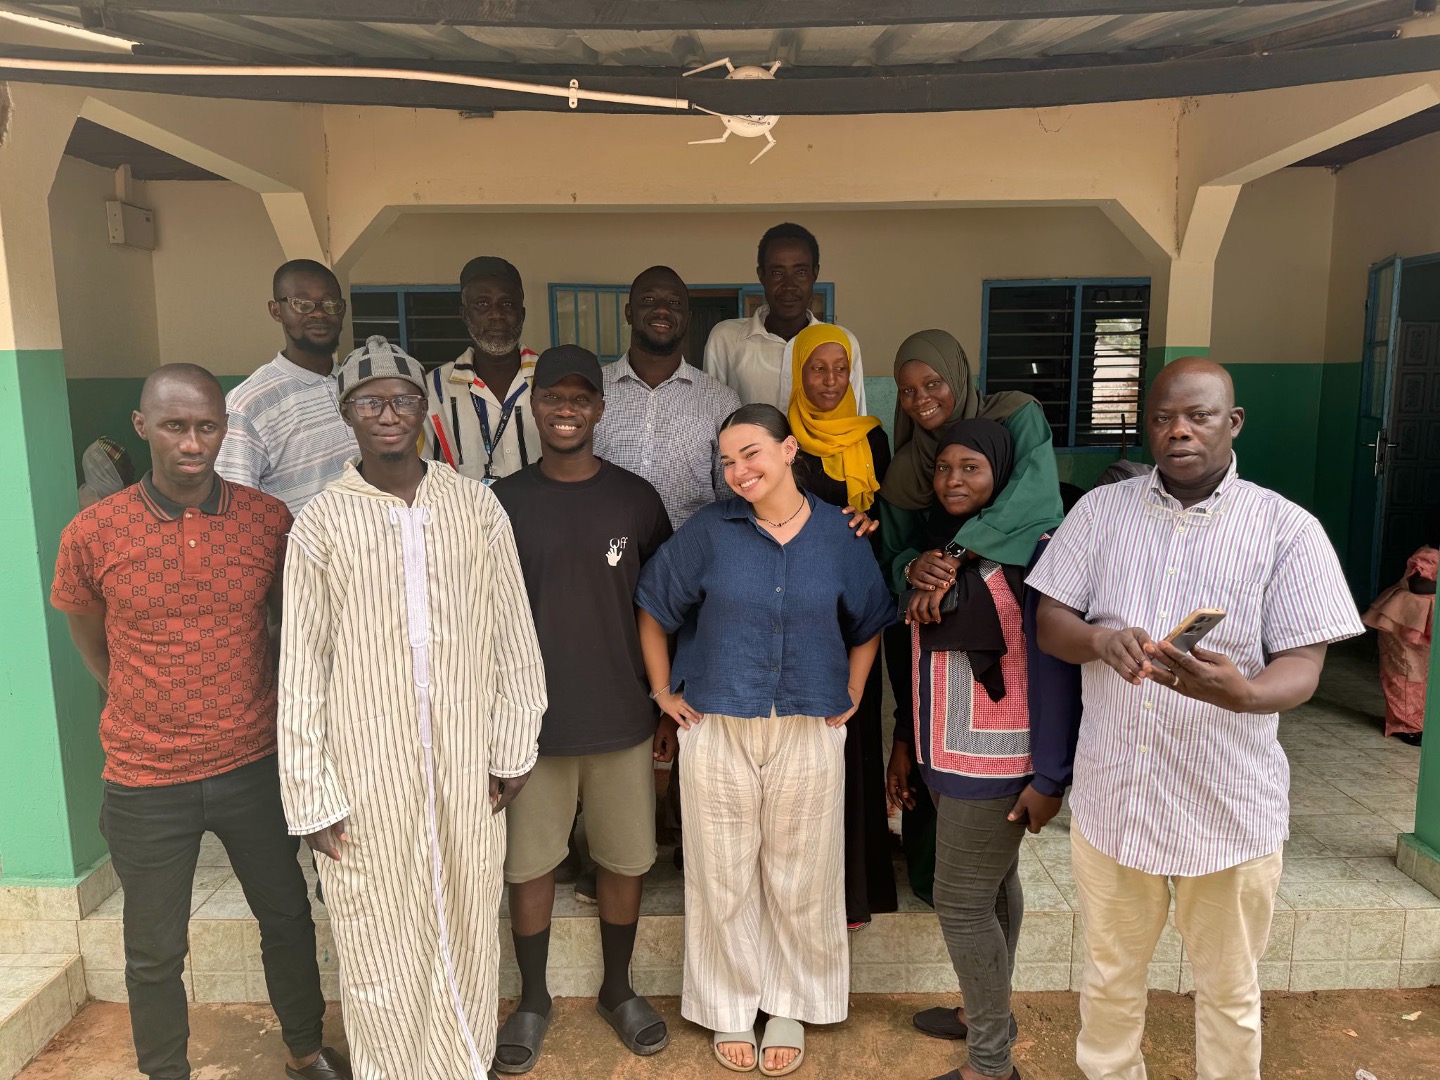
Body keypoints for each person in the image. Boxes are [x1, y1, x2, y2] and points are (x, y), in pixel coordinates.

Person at [1027, 357, 1365, 1080]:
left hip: (1228, 808)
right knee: (1111, 981)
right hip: (1117, 799)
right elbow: (1051, 620)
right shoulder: (1099, 513)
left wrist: (1245, 693)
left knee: (1229, 993)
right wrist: (1097, 639)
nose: (1178, 431)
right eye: (1162, 418)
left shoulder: (1286, 529)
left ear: (1232, 422)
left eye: (1199, 416)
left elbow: (1303, 668)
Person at [51, 365, 348, 1080]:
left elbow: (290, 629)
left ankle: (305, 1049)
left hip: (253, 767)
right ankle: (166, 1072)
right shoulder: (94, 532)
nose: (193, 442)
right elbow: (91, 639)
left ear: (225, 429)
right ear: (141, 425)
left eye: (207, 426)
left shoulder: (266, 520)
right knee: (154, 948)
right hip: (145, 779)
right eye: (176, 425)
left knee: (286, 917)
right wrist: (142, 703)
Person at [277, 335, 547, 1080]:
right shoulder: (322, 523)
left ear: (426, 411)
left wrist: (513, 742)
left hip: (465, 760)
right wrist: (310, 793)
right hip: (366, 770)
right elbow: (301, 662)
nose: (387, 413)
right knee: (377, 930)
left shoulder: (475, 507)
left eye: (401, 399)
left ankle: (464, 1059)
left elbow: (512, 633)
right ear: (347, 415)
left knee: (465, 914)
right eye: (370, 402)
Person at [636, 404, 894, 1076]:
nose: (738, 470)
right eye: (725, 461)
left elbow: (869, 620)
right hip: (717, 723)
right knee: (721, 873)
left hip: (810, 723)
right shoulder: (710, 532)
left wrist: (857, 694)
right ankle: (728, 1004)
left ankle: (786, 1002)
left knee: (800, 873)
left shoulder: (841, 534)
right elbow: (654, 605)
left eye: (750, 453)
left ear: (787, 450)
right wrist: (665, 695)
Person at [490, 345, 674, 1073]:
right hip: (528, 726)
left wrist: (662, 700)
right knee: (529, 864)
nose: (565, 410)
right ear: (533, 408)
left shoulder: (637, 499)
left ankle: (618, 989)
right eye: (551, 398)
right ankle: (532, 999)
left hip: (621, 716)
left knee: (625, 858)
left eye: (580, 398)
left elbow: (662, 609)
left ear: (601, 408)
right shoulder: (501, 501)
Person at [886, 420, 1081, 1080]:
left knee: (961, 903)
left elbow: (1055, 669)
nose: (953, 480)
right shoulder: (939, 548)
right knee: (995, 885)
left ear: (1002, 473)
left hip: (998, 760)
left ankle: (991, 1063)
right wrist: (909, 746)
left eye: (972, 467)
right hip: (944, 751)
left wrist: (1051, 775)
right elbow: (920, 658)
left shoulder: (1031, 554)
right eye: (944, 468)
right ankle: (984, 1015)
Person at [878, 329, 1064, 904]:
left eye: (932, 382)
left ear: (958, 375)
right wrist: (917, 569)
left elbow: (1034, 500)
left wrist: (958, 556)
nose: (921, 399)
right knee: (930, 727)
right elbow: (893, 550)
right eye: (907, 390)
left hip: (996, 608)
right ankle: (936, 872)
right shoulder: (909, 467)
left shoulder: (1015, 419)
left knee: (986, 766)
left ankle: (968, 892)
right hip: (925, 619)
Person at [785, 323, 897, 930]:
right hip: (800, 609)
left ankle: (851, 893)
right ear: (797, 375)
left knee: (850, 736)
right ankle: (802, 887)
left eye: (839, 369)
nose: (829, 382)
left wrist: (875, 526)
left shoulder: (875, 441)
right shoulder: (782, 440)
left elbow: (892, 519)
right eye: (815, 369)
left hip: (855, 609)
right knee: (803, 743)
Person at [594, 265, 741, 529]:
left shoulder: (721, 401)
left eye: (674, 303)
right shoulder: (592, 390)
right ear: (629, 312)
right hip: (606, 560)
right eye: (648, 300)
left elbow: (730, 499)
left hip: (691, 561)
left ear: (687, 318)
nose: (662, 309)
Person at [216, 259, 356, 515]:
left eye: (330, 304)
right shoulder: (248, 404)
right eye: (301, 304)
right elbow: (234, 510)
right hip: (300, 554)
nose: (318, 313)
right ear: (276, 311)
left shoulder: (357, 385)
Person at [704, 223, 867, 413]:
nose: (789, 285)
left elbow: (855, 417)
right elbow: (712, 420)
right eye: (777, 272)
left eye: (800, 272)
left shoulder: (841, 342)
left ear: (815, 274)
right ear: (761, 275)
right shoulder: (726, 340)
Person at [425, 256, 541, 483]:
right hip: (464, 518)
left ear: (522, 314)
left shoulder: (552, 379)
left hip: (541, 516)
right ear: (465, 314)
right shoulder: (434, 389)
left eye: (507, 304)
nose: (496, 314)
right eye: (482, 304)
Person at [1363, 526, 1437, 746]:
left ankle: (1421, 722)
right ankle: (1407, 725)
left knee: (1423, 675)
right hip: (1403, 621)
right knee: (1405, 673)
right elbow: (1418, 585)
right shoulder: (1429, 555)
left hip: (1424, 623)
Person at [76, 435, 135, 510]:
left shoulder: (129, 496)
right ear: (106, 470)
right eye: (124, 465)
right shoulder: (86, 506)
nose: (132, 469)